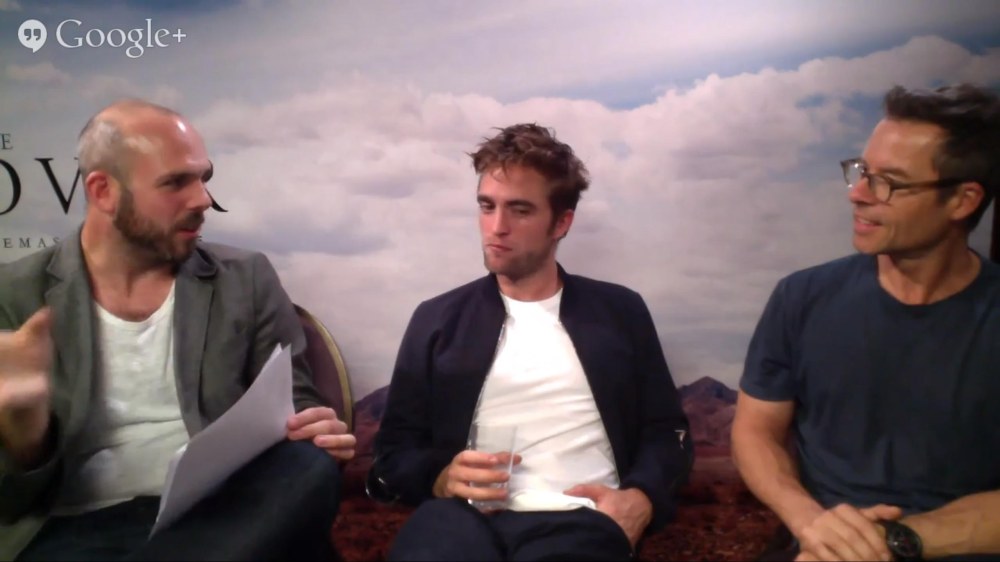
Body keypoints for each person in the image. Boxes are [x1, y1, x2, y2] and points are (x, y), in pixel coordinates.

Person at [0, 99, 356, 561]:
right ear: (103, 191)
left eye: (203, 178)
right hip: (75, 527)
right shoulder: (14, 296)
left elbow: (297, 406)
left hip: (224, 510)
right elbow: (11, 500)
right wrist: (26, 435)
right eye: (175, 183)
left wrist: (314, 428)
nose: (202, 199)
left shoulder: (245, 278)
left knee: (308, 466)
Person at [366, 123, 693, 561]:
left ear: (562, 222)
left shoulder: (620, 312)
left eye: (519, 210)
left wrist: (643, 498)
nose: (497, 227)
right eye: (487, 206)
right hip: (460, 519)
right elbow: (393, 453)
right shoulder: (438, 319)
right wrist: (441, 478)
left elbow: (667, 433)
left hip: (579, 517)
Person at [732, 83, 1000, 562]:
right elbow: (755, 431)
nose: (857, 194)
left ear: (963, 200)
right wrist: (811, 524)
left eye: (888, 182)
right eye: (861, 172)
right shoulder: (801, 297)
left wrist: (890, 542)